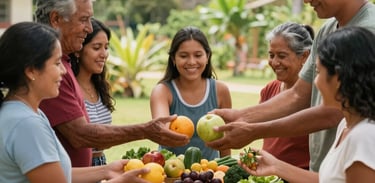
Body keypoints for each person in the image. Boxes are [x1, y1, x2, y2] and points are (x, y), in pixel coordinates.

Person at [207, 0, 375, 172]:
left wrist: (254, 131)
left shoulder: (369, 30)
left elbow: (334, 112)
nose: (305, 1)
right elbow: (299, 94)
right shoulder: (328, 29)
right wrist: (239, 116)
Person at [35, 0, 189, 167]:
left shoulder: (64, 65)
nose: (89, 28)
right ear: (56, 19)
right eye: (83, 19)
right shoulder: (48, 69)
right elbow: (80, 135)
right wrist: (144, 130)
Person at [0, 21, 151, 183]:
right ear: (31, 70)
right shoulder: (27, 124)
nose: (64, 70)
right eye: (57, 63)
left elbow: (55, 173)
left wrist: (106, 171)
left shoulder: (24, 112)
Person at [240, 26, 375, 183]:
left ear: (337, 79)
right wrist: (276, 166)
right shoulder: (345, 126)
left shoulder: (363, 137)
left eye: (317, 73)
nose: (314, 82)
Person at [150, 26, 232, 160]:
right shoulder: (162, 91)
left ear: (207, 56)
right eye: (183, 56)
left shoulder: (220, 91)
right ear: (173, 59)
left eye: (198, 55)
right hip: (171, 174)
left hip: (210, 173)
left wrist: (226, 171)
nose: (192, 62)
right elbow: (162, 134)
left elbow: (225, 142)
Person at [260, 22, 314, 171]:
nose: (275, 62)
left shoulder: (313, 94)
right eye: (271, 55)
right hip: (269, 177)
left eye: (282, 56)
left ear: (305, 56)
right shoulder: (269, 89)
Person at [69, 18, 114, 166]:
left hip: (101, 162)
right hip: (78, 167)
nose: (104, 54)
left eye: (106, 47)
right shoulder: (68, 87)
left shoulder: (100, 86)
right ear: (78, 51)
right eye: (96, 48)